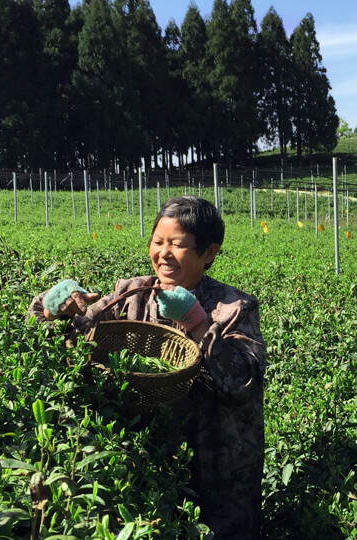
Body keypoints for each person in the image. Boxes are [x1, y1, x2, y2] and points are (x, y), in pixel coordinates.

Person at [27, 196, 265, 539]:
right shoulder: (133, 293)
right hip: (145, 457)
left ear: (209, 253)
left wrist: (198, 323)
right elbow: (68, 336)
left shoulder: (234, 307)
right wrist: (53, 308)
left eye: (178, 244)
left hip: (215, 465)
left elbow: (243, 382)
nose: (164, 253)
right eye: (157, 242)